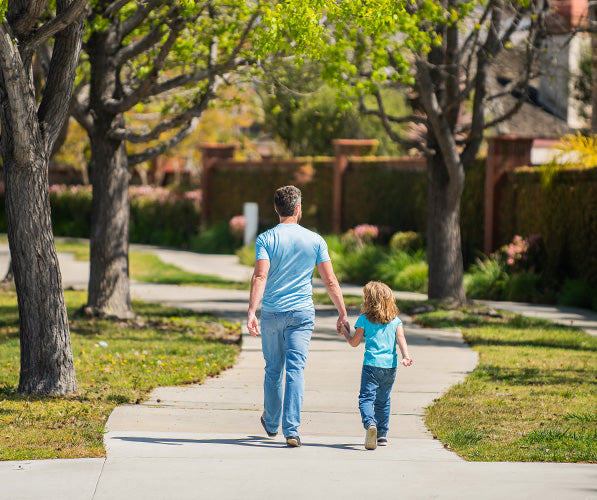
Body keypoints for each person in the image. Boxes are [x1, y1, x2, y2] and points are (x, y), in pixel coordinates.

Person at [247, 185, 349, 448]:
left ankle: (271, 424)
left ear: (276, 209)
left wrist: (251, 311)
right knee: (295, 370)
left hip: (271, 312)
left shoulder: (265, 239)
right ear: (298, 208)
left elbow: (260, 276)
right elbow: (330, 280)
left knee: (273, 370)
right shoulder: (316, 240)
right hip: (302, 314)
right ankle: (291, 430)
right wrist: (342, 312)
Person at [341, 280, 413, 450]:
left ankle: (370, 423)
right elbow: (401, 339)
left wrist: (344, 331)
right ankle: (381, 434)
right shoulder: (395, 321)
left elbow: (354, 342)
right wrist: (406, 356)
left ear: (369, 301)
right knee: (383, 400)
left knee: (366, 398)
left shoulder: (363, 319)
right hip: (390, 366)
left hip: (371, 366)